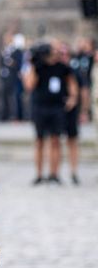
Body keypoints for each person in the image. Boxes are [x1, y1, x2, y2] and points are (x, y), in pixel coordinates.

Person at [23, 41, 78, 184]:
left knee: (55, 140)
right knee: (39, 140)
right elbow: (29, 85)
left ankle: (54, 174)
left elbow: (72, 83)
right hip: (40, 107)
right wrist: (34, 65)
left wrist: (72, 98)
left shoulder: (63, 67)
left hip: (57, 108)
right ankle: (39, 174)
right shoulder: (38, 66)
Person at [60, 43, 82, 184]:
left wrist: (74, 100)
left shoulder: (74, 69)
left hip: (71, 110)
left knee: (72, 141)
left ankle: (73, 171)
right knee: (55, 140)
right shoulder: (55, 69)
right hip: (56, 108)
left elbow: (80, 88)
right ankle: (55, 172)